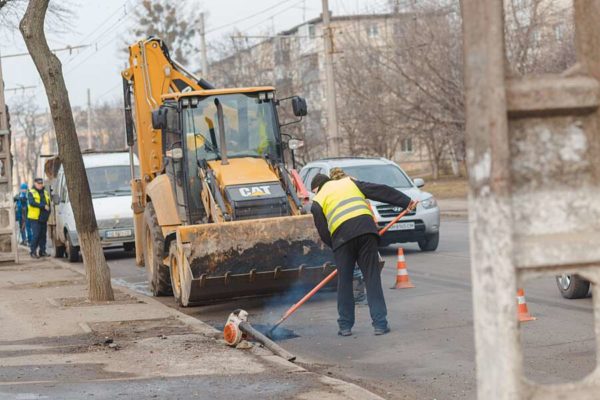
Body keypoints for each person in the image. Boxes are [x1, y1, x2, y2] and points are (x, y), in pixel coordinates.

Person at [310, 173, 415, 336]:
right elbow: (380, 190)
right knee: (372, 278)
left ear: (316, 189)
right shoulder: (349, 183)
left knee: (344, 282)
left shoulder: (317, 201)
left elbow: (323, 232)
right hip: (367, 233)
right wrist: (405, 201)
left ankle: (345, 327)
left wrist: (336, 246)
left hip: (342, 241)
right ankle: (380, 324)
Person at [27, 178, 51, 258]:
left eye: (41, 183)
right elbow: (32, 203)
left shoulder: (45, 192)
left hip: (43, 217)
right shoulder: (31, 192)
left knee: (43, 235)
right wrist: (43, 206)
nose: (40, 185)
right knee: (36, 235)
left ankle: (42, 251)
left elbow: (48, 203)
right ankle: (33, 252)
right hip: (35, 217)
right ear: (35, 183)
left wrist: (48, 211)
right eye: (38, 183)